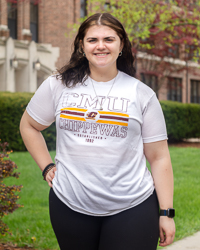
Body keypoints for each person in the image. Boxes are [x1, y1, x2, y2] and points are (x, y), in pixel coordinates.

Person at [20, 13, 175, 250]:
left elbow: (159, 156)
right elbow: (29, 125)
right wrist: (47, 167)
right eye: (92, 40)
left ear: (121, 44)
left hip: (133, 206)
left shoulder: (141, 94)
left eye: (109, 39)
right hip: (69, 205)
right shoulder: (59, 84)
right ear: (82, 45)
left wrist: (166, 212)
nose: (100, 46)